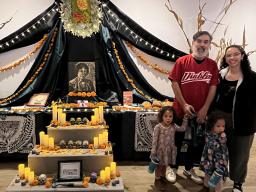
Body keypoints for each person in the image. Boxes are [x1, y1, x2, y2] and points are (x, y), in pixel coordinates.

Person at [168, 31, 219, 184]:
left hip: (200, 113)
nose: (202, 44)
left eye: (206, 42)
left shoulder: (212, 65)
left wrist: (205, 109)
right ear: (193, 42)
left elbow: (213, 87)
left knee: (196, 143)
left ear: (209, 45)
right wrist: (183, 104)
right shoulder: (181, 61)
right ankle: (173, 167)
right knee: (176, 141)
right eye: (199, 41)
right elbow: (174, 83)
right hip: (180, 110)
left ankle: (189, 168)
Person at [214, 45, 256, 192]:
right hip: (221, 122)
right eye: (228, 55)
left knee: (240, 155)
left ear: (242, 56)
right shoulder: (220, 75)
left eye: (235, 54)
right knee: (220, 152)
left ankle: (238, 183)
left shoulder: (252, 77)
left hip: (243, 122)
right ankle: (219, 176)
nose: (232, 58)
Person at [150, 106, 188, 182]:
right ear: (162, 117)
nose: (168, 118)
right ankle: (157, 179)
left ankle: (163, 176)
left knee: (165, 165)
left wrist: (185, 119)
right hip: (160, 151)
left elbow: (182, 128)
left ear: (173, 117)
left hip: (168, 150)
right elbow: (155, 139)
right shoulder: (158, 127)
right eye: (166, 116)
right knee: (159, 166)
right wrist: (153, 150)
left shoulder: (173, 126)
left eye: (170, 116)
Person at [200, 112, 229, 192]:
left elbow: (223, 149)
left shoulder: (222, 136)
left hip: (219, 160)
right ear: (212, 125)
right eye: (218, 126)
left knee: (218, 177)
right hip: (208, 159)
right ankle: (205, 188)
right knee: (207, 174)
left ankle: (218, 191)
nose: (221, 128)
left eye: (223, 126)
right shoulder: (208, 132)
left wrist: (223, 163)